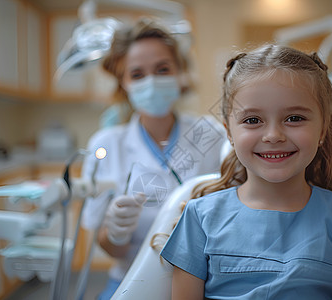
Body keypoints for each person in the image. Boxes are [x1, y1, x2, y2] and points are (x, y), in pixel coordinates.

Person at [160, 43, 332, 299]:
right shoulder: (199, 218)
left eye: (294, 118)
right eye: (253, 120)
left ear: (322, 129)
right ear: (229, 131)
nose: (273, 135)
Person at [80, 18, 225, 299]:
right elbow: (107, 247)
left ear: (179, 71)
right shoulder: (106, 145)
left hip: (203, 284)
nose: (152, 81)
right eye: (137, 74)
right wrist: (116, 233)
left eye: (162, 69)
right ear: (123, 83)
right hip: (130, 280)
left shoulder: (210, 134)